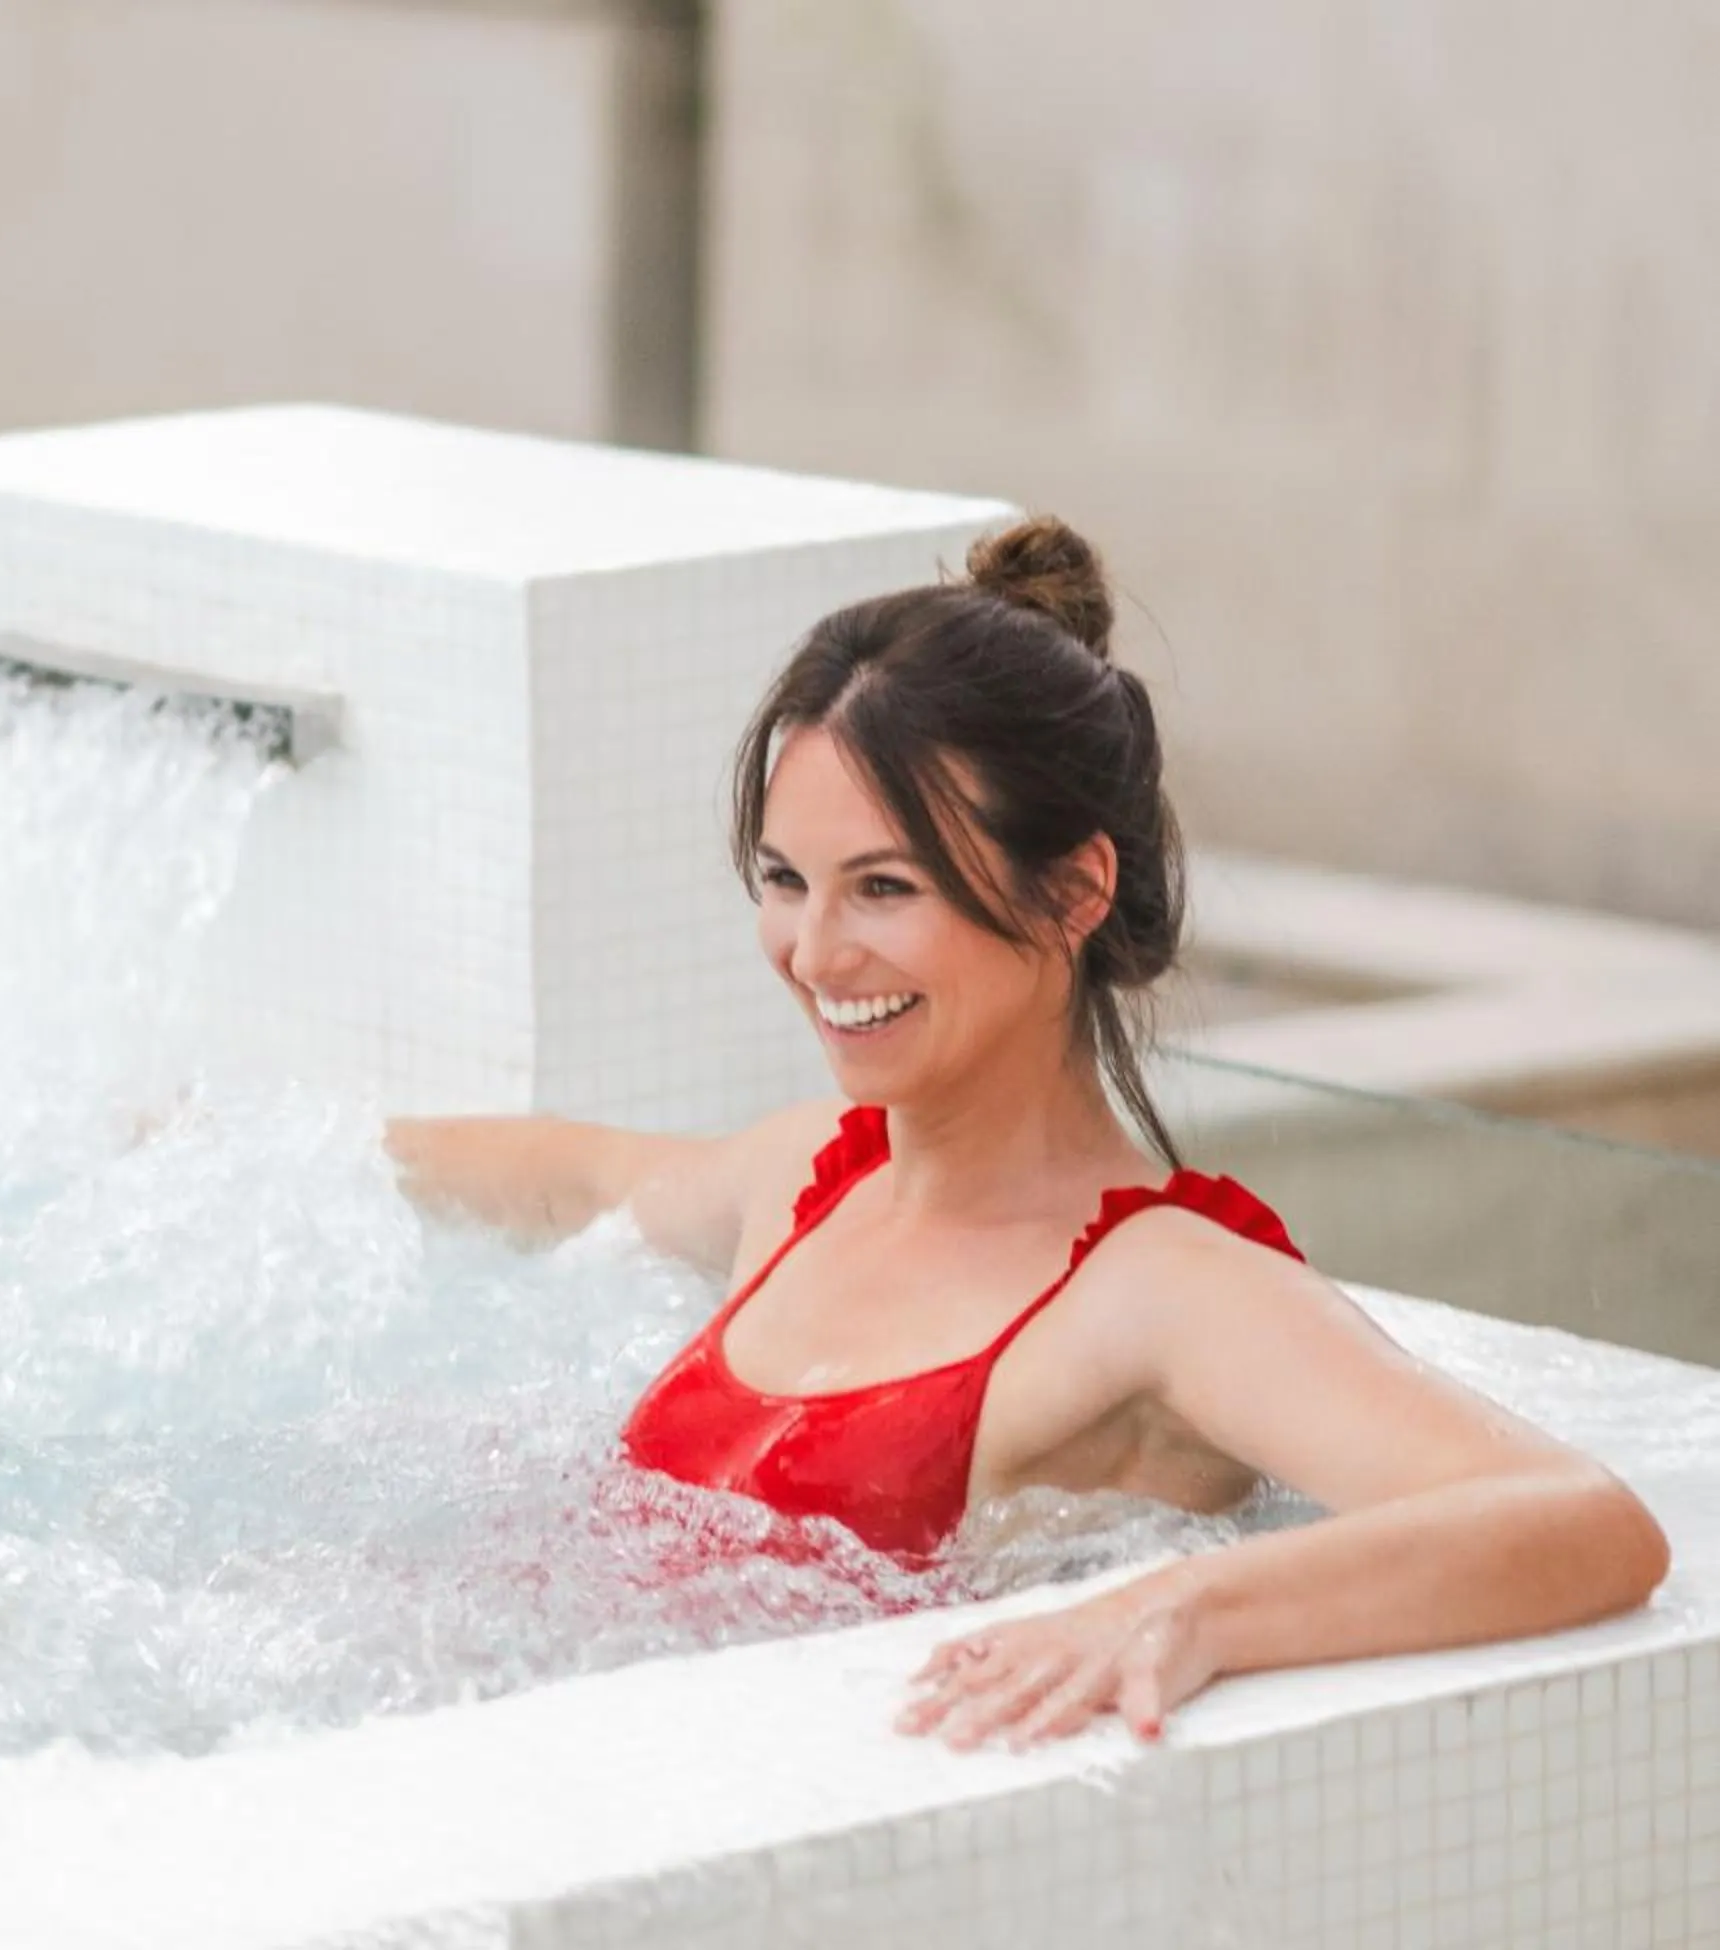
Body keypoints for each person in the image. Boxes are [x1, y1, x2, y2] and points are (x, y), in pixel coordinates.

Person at [385, 517, 1668, 1752]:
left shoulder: (1158, 1288)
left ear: (1073, 890)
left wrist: (1182, 1609)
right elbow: (573, 1177)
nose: (815, 955)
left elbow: (1580, 1521)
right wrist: (300, 1151)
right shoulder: (813, 1177)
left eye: (885, 888)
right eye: (786, 881)